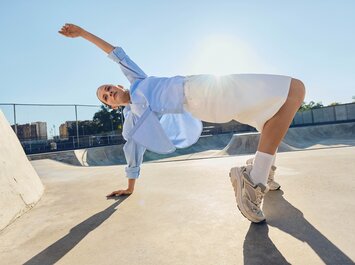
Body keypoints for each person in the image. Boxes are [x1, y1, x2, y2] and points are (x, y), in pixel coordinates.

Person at [59, 23, 305, 223]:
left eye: (109, 88)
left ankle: (262, 170)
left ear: (119, 85)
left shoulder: (137, 80)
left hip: (202, 89)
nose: (109, 92)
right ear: (111, 106)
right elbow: (132, 152)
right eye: (105, 97)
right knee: (294, 89)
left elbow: (116, 53)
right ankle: (254, 179)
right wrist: (129, 187)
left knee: (272, 115)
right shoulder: (134, 121)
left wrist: (82, 34)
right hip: (200, 97)